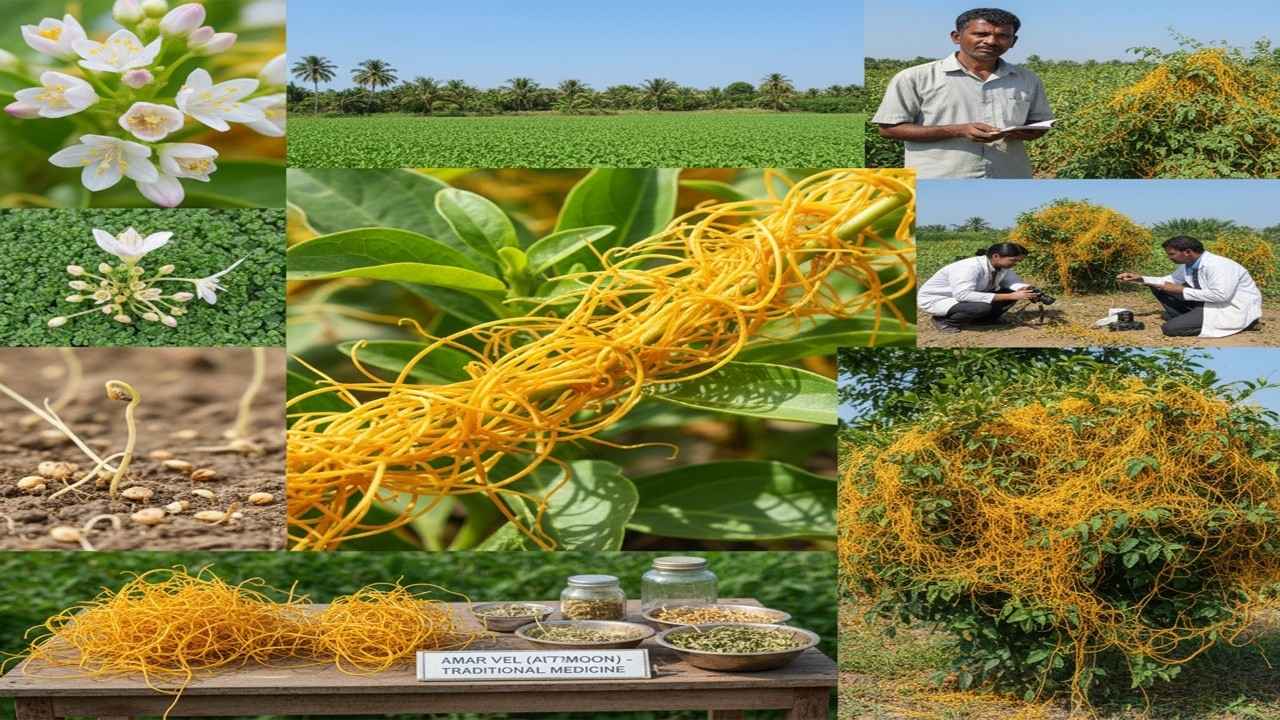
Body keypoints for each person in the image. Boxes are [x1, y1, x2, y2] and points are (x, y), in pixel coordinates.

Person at [872, 8, 1053, 179]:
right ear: (956, 37)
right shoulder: (915, 77)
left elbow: (1039, 123)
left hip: (1010, 175)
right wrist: (957, 130)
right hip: (939, 178)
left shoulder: (1027, 79)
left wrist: (1030, 132)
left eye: (1002, 36)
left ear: (1013, 41)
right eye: (981, 34)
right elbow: (888, 128)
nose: (991, 41)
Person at [1117, 236, 1262, 338]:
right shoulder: (1189, 265)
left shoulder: (1218, 265)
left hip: (1228, 308)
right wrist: (1140, 279)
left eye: (1172, 254)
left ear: (1187, 252)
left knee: (1169, 329)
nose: (1170, 258)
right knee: (1158, 286)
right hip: (1208, 303)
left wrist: (1181, 290)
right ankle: (1187, 318)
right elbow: (1168, 280)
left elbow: (1222, 296)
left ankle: (1247, 323)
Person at [918, 242, 1040, 333]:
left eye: (1018, 261)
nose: (1015, 264)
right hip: (939, 299)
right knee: (982, 307)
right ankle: (943, 321)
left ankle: (985, 320)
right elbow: (962, 295)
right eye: (1013, 260)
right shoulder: (970, 267)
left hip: (965, 296)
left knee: (1011, 292)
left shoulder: (1002, 267)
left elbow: (1012, 282)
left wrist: (1025, 289)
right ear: (996, 256)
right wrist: (1010, 295)